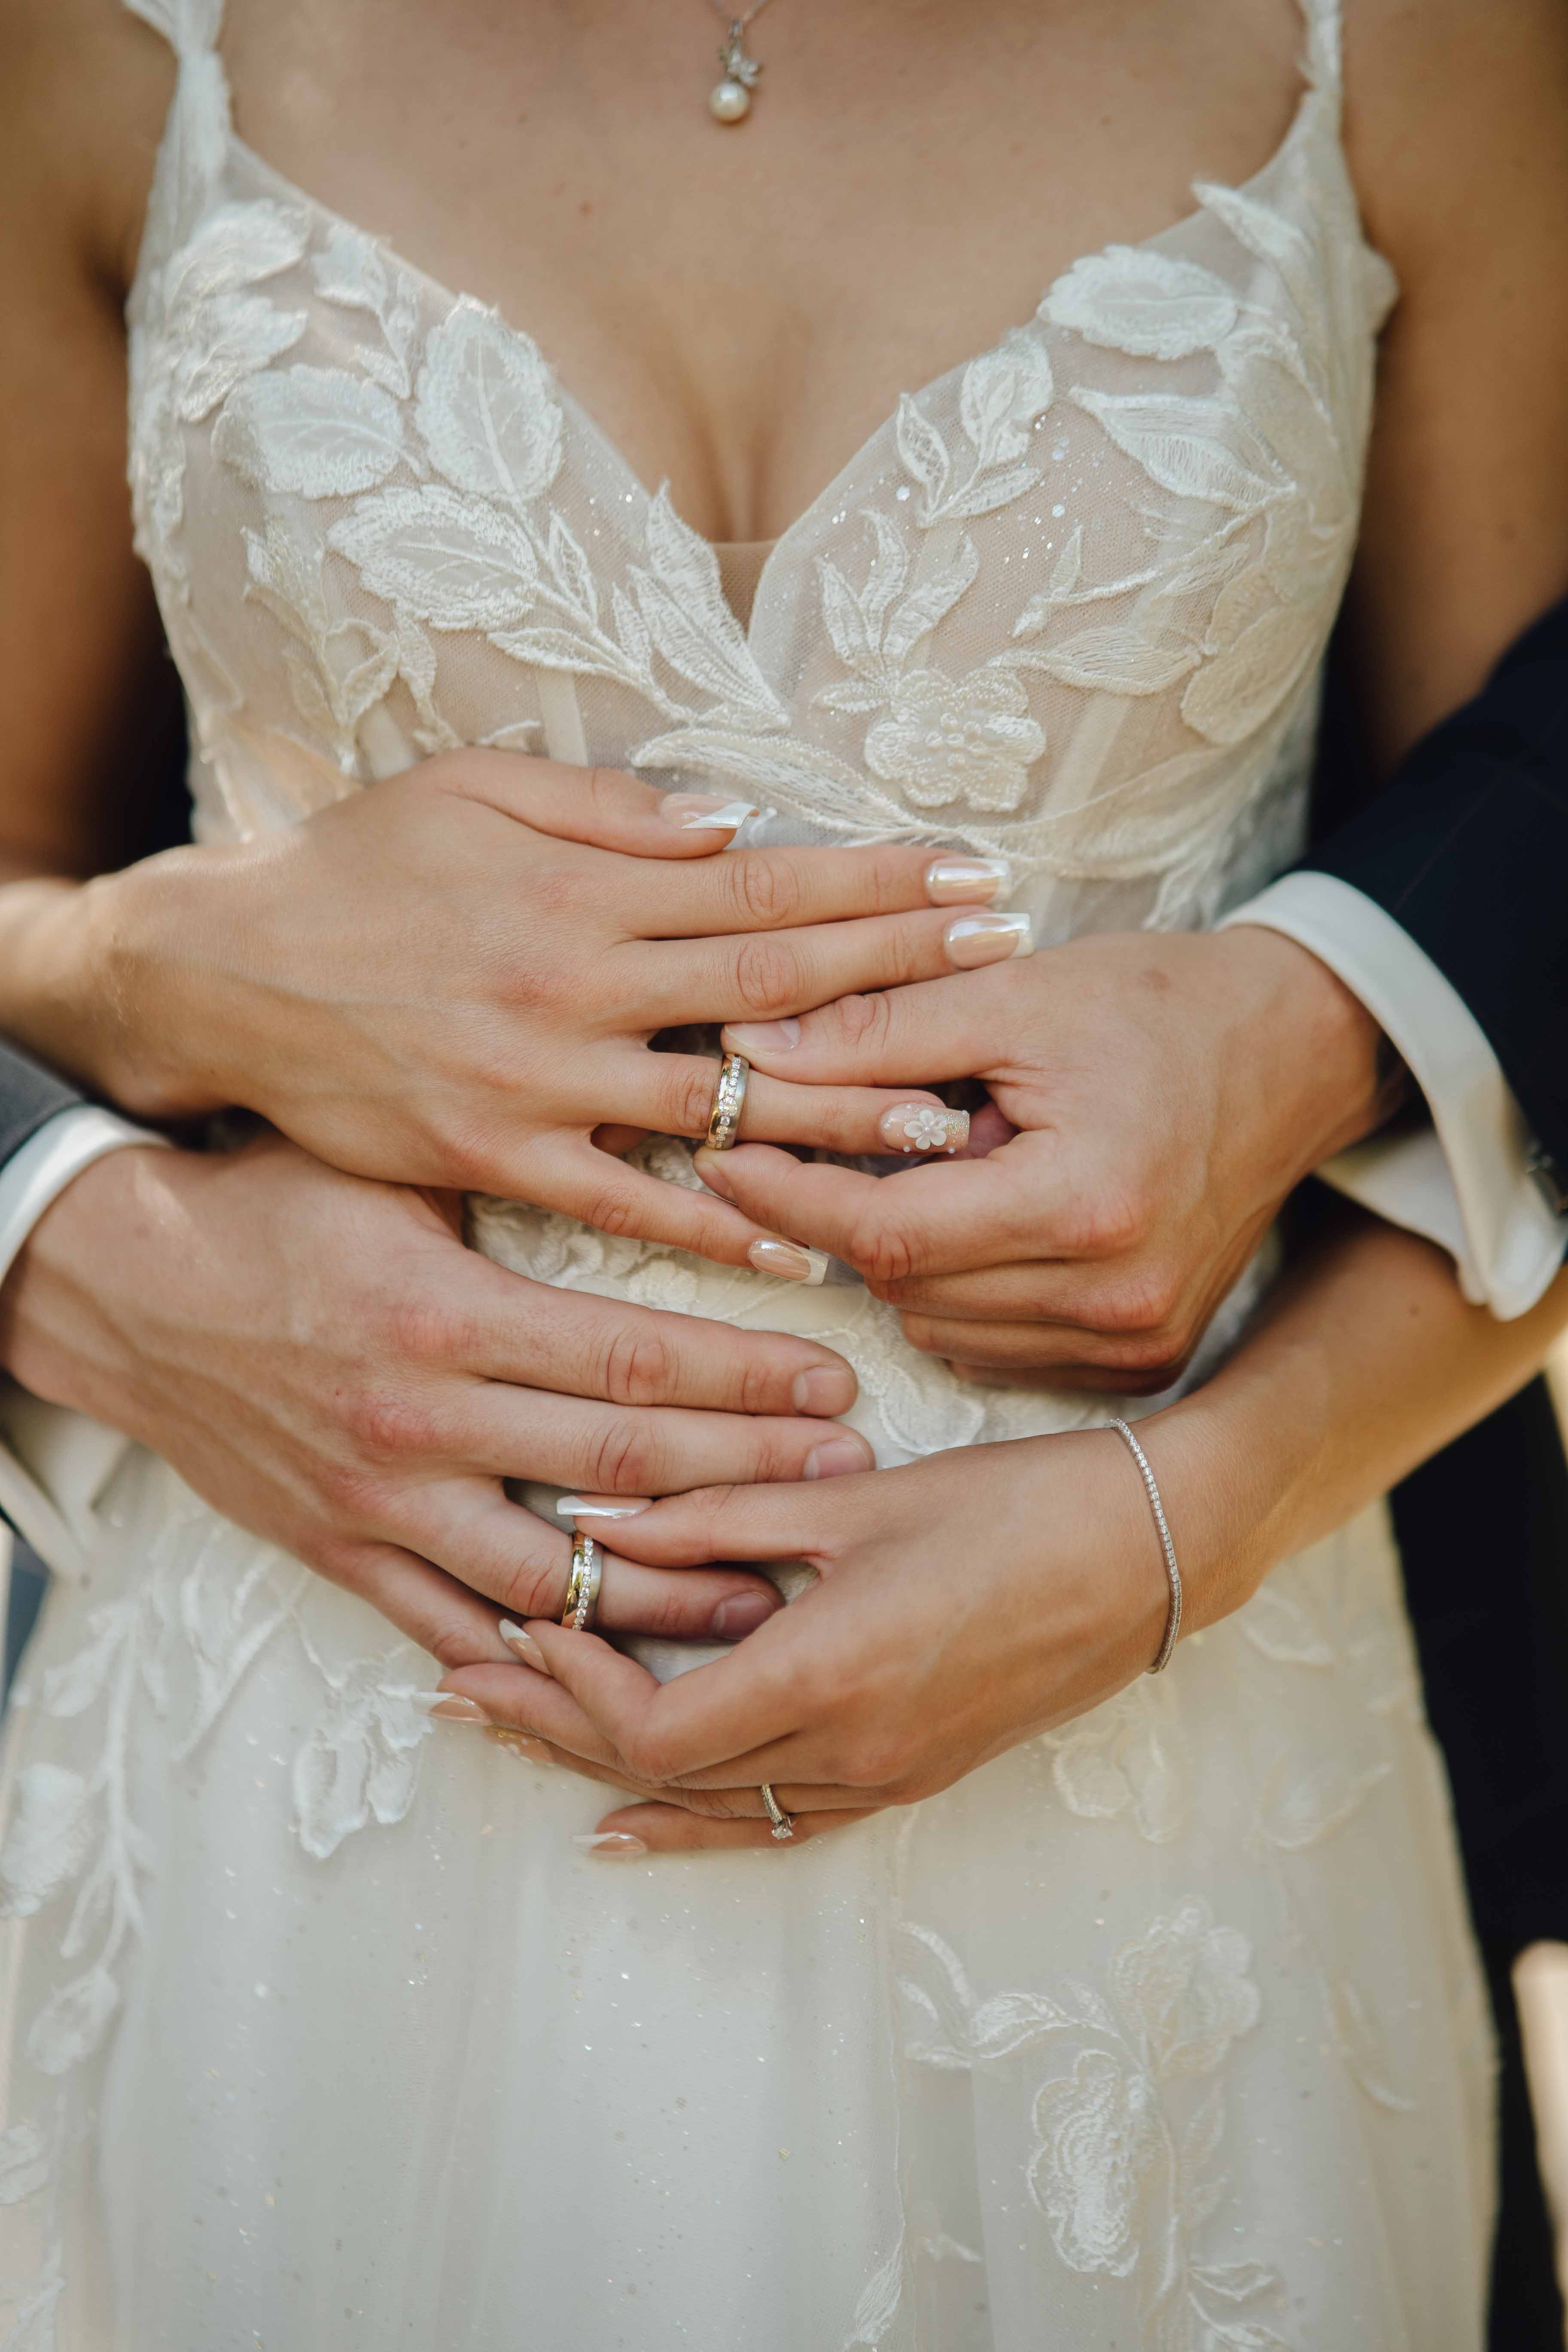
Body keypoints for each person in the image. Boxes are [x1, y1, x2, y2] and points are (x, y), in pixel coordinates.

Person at [1, 0, 1566, 2343]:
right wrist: (162, 991)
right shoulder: (104, 44)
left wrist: (1190, 1512)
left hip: (1156, 1813)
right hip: (293, 1787)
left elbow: (1526, 974)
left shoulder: (1417, 41)